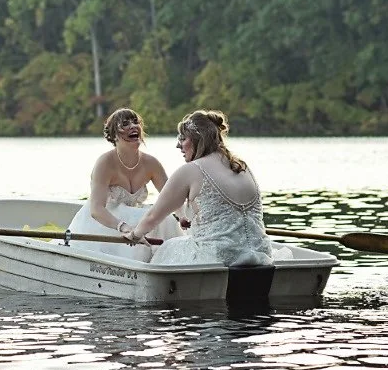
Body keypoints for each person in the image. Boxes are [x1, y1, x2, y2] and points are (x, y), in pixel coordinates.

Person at [124, 109, 274, 267]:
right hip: (262, 252)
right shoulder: (241, 166)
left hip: (219, 257)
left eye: (182, 138)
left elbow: (153, 216)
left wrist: (135, 234)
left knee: (167, 248)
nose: (177, 145)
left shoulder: (191, 170)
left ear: (198, 139)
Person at [65, 107, 185, 262]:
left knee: (165, 219)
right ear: (114, 135)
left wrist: (182, 216)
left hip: (133, 220)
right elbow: (96, 209)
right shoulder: (105, 163)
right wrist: (123, 227)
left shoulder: (151, 163)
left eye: (136, 122)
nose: (133, 126)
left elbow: (172, 198)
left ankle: (172, 262)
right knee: (146, 219)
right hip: (104, 223)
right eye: (125, 124)